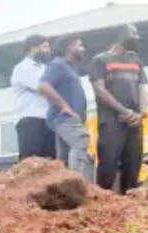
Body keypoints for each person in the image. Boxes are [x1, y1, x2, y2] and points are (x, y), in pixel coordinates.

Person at [91, 24, 148, 194]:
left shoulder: (136, 60)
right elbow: (100, 90)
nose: (136, 42)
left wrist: (142, 113)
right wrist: (124, 111)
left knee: (133, 164)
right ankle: (102, 203)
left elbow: (142, 88)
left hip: (134, 122)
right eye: (133, 38)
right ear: (120, 38)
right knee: (108, 164)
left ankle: (129, 201)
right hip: (111, 122)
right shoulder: (100, 60)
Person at [38, 36, 95, 183]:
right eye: (79, 45)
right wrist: (64, 106)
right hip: (63, 118)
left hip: (72, 119)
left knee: (64, 159)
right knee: (81, 139)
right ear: (69, 46)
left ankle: (64, 193)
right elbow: (43, 86)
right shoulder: (59, 64)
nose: (83, 48)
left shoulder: (71, 67)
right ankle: (77, 185)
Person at [11, 34, 55, 161]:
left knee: (50, 164)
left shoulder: (46, 68)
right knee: (31, 163)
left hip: (48, 120)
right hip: (30, 120)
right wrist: (63, 102)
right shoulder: (22, 68)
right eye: (45, 47)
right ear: (33, 48)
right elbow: (41, 87)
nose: (48, 51)